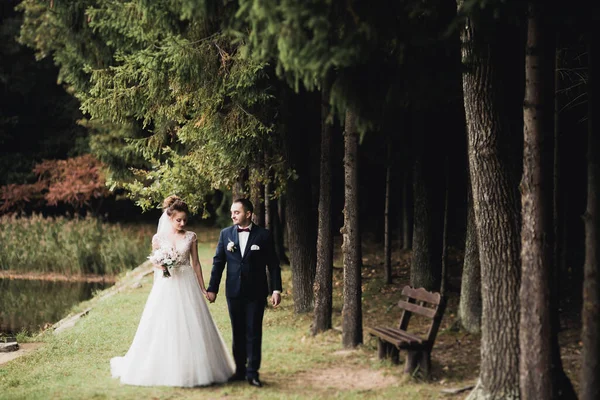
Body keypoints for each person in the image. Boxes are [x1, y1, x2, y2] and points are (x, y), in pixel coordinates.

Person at [110, 195, 235, 387]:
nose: (182, 223)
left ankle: (197, 368)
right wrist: (162, 267)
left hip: (187, 283)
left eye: (185, 219)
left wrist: (203, 287)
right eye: (178, 220)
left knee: (192, 323)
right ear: (170, 218)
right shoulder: (158, 238)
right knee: (164, 324)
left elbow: (196, 264)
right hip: (166, 285)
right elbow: (155, 263)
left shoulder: (191, 236)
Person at [206, 198, 282, 388]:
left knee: (254, 332)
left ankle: (252, 373)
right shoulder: (226, 235)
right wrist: (212, 289)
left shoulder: (263, 235)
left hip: (256, 293)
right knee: (237, 331)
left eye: (237, 212)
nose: (232, 215)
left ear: (248, 214)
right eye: (232, 212)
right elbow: (218, 263)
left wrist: (276, 289)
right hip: (233, 292)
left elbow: (273, 264)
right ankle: (240, 370)